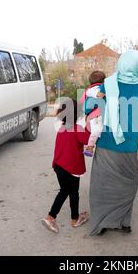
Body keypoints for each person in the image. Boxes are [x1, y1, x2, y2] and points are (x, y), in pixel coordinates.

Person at [89, 50, 138, 236]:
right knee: (128, 184)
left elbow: (94, 108)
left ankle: (101, 223)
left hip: (105, 143)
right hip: (128, 146)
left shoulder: (107, 85)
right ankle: (124, 222)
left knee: (102, 185)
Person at [42, 99, 91, 233]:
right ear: (77, 114)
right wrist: (88, 123)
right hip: (71, 168)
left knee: (68, 191)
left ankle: (73, 218)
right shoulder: (77, 129)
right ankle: (52, 217)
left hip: (59, 166)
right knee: (70, 192)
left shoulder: (62, 128)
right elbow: (88, 139)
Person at [81, 71, 106, 157]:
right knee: (96, 131)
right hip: (96, 115)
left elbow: (82, 101)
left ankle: (90, 145)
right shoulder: (93, 89)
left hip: (95, 114)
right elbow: (99, 95)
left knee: (96, 130)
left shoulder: (90, 89)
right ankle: (90, 147)